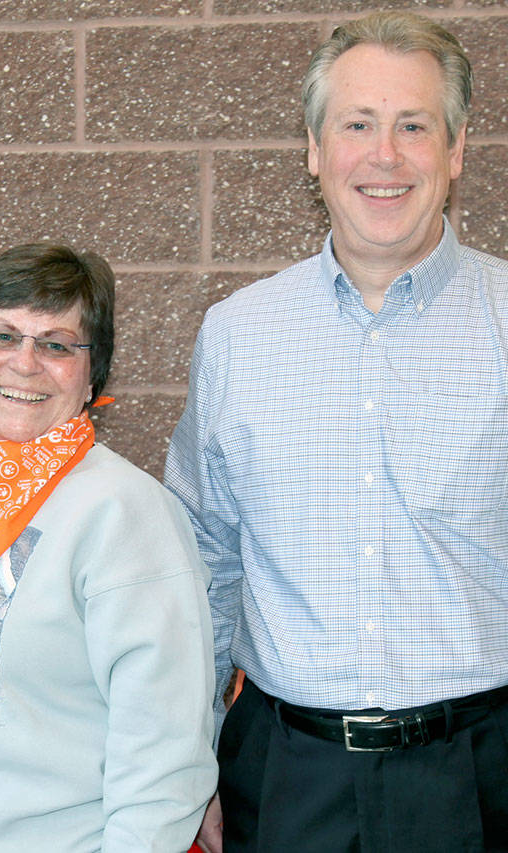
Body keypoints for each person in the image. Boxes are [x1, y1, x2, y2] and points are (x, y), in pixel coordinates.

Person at [164, 11, 508, 852]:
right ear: (315, 151)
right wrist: (189, 760)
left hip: (484, 773)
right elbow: (203, 558)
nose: (383, 155)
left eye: (413, 126)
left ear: (456, 151)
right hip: (287, 778)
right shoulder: (239, 334)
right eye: (357, 124)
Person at [0, 243, 216, 851]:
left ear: (95, 373)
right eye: (2, 336)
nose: (25, 363)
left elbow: (165, 749)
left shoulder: (126, 512)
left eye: (58, 344)